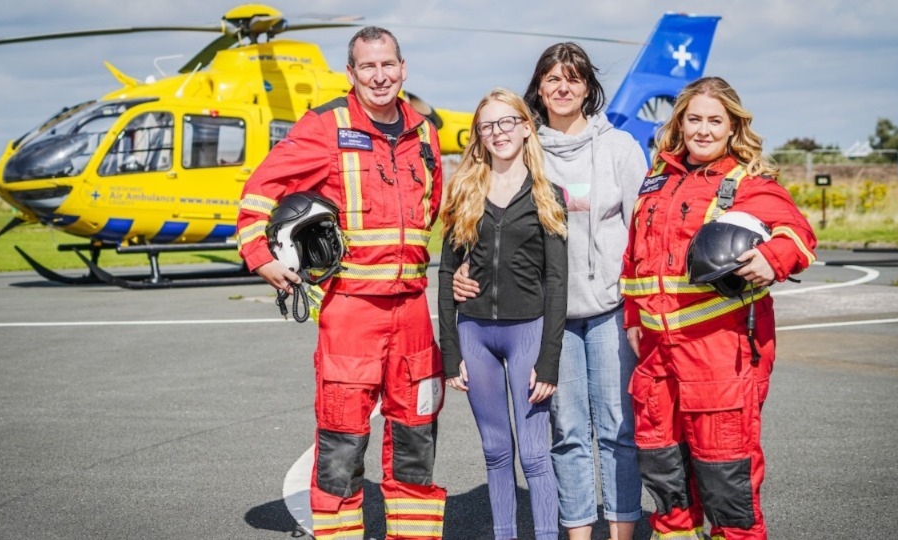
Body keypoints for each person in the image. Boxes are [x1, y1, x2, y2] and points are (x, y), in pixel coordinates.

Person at [236, 27, 446, 540]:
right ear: (351, 74)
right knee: (342, 435)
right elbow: (261, 190)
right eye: (367, 67)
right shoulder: (323, 126)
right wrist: (259, 254)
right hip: (351, 309)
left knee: (418, 432)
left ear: (404, 68)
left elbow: (433, 205)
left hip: (415, 308)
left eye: (388, 65)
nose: (380, 76)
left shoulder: (425, 132)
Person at [455, 42, 647, 540]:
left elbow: (644, 233)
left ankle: (621, 531)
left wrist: (641, 311)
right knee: (567, 434)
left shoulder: (619, 149)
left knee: (616, 431)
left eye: (574, 79)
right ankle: (577, 530)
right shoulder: (525, 145)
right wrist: (465, 273)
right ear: (538, 88)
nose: (563, 88)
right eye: (553, 79)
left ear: (588, 88)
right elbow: (493, 220)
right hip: (543, 318)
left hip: (606, 308)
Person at [619, 76, 817, 539]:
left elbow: (798, 236)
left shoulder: (746, 184)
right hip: (656, 361)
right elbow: (633, 262)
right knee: (666, 482)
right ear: (680, 123)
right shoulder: (657, 182)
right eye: (695, 119)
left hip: (720, 358)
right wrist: (633, 318)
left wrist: (773, 258)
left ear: (732, 128)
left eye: (715, 121)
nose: (703, 130)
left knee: (727, 487)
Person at [438, 88, 568, 540]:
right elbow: (446, 273)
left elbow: (557, 283)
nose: (498, 133)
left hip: (528, 332)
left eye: (507, 122)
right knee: (495, 451)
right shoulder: (463, 191)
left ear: (526, 126)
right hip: (475, 334)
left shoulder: (548, 195)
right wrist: (449, 350)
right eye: (488, 125)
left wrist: (549, 360)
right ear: (478, 134)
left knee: (534, 455)